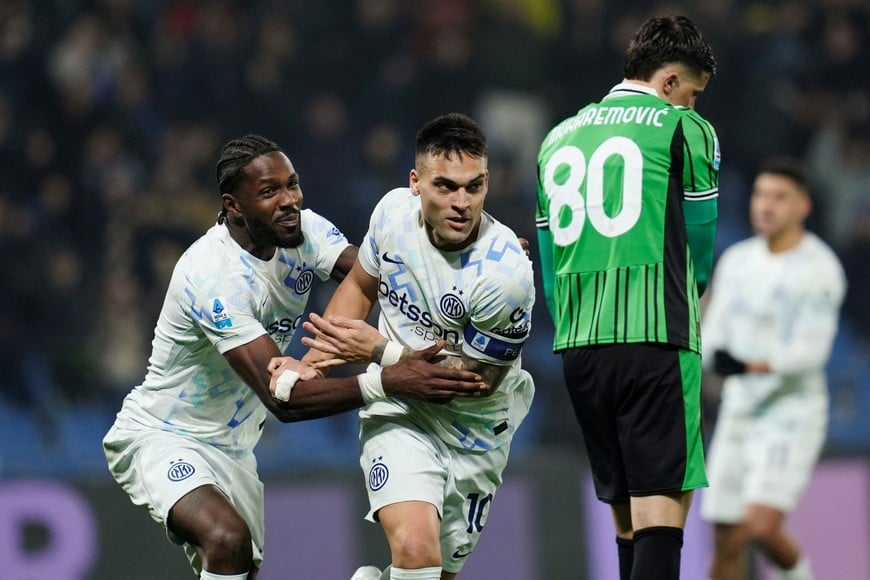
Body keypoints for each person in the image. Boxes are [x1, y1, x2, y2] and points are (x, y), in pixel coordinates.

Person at [102, 134, 487, 580]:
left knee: (237, 563)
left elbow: (382, 274)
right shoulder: (211, 278)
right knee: (225, 539)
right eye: (269, 192)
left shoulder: (306, 232)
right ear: (234, 206)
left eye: (293, 185)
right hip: (163, 433)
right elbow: (285, 400)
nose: (289, 201)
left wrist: (478, 256)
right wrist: (390, 379)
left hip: (236, 447)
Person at [278, 113, 536, 580]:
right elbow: (359, 285)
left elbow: (477, 381)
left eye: (473, 188)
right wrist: (311, 365)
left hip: (477, 431)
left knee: (435, 574)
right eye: (446, 187)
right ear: (415, 182)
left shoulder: (506, 275)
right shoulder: (392, 216)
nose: (462, 203)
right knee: (417, 552)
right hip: (401, 412)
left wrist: (382, 352)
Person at [535, 14, 720, 580]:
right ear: (668, 83)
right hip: (657, 336)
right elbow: (702, 245)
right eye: (691, 94)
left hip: (581, 347)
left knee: (626, 524)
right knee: (663, 516)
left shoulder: (557, 138)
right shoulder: (682, 129)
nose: (693, 106)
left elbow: (549, 266)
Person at [699, 157, 846, 580]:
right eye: (761, 195)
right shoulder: (738, 262)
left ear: (803, 206)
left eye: (779, 197)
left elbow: (809, 355)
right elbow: (713, 335)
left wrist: (745, 364)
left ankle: (799, 573)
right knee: (726, 536)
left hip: (790, 415)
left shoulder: (820, 269)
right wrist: (714, 357)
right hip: (739, 412)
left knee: (760, 526)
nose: (766, 205)